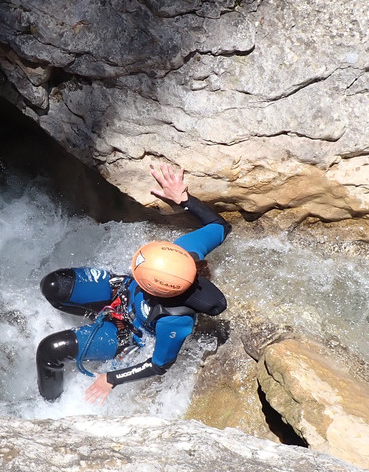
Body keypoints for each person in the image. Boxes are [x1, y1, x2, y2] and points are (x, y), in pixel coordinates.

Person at [36, 164, 231, 403]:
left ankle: (48, 403)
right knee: (54, 286)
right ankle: (95, 313)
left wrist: (111, 378)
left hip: (127, 334)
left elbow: (160, 364)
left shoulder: (175, 320)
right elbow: (221, 227)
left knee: (49, 351)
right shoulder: (182, 253)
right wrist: (183, 199)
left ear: (151, 287)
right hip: (121, 291)